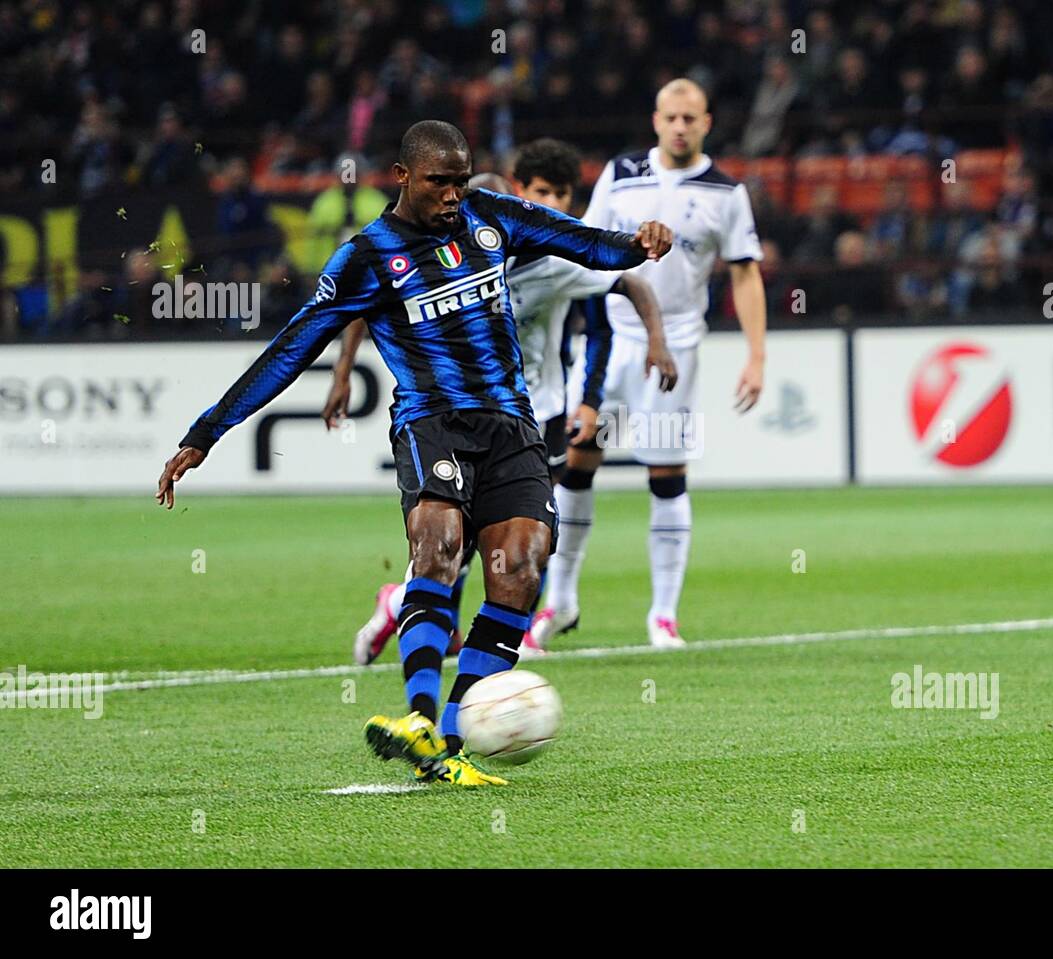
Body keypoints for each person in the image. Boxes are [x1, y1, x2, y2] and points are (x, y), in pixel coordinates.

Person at [155, 120, 672, 787]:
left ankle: (447, 740)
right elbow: (292, 347)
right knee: (440, 547)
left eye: (461, 179)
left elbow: (585, 245)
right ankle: (420, 714)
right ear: (402, 177)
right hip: (433, 423)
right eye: (440, 182)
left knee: (519, 569)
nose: (455, 194)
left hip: (512, 424)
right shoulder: (368, 256)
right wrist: (207, 430)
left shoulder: (491, 215)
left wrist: (639, 243)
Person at [326, 140, 677, 666]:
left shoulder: (552, 257)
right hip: (464, 414)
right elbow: (365, 296)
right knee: (461, 540)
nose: (551, 203)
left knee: (519, 542)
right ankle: (422, 614)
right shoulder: (455, 249)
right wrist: (344, 367)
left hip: (538, 415)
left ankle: (464, 628)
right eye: (541, 193)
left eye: (560, 193)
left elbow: (626, 285)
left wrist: (645, 351)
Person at [532, 78, 767, 651]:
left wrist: (756, 354)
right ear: (656, 120)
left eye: (691, 118)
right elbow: (583, 244)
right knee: (577, 464)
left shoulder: (725, 193)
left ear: (706, 123)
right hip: (609, 345)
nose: (680, 126)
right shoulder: (620, 173)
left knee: (664, 475)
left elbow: (744, 272)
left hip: (675, 351)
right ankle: (558, 603)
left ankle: (663, 614)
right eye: (671, 117)